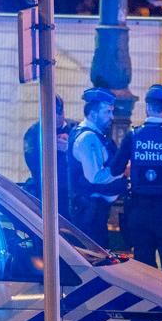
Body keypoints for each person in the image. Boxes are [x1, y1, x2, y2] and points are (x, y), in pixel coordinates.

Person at [109, 84, 162, 280]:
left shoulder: (133, 135)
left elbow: (115, 169)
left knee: (144, 273)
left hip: (138, 212)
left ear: (146, 107)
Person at [68, 87, 128, 247]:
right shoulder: (88, 138)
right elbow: (95, 177)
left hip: (93, 212)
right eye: (107, 112)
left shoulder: (94, 135)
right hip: (89, 213)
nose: (111, 117)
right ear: (93, 114)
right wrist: (122, 172)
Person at [21, 94, 71, 216]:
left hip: (69, 193)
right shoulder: (34, 132)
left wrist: (68, 150)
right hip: (45, 192)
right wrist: (51, 146)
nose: (57, 117)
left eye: (59, 113)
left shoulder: (74, 128)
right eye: (52, 114)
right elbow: (33, 162)